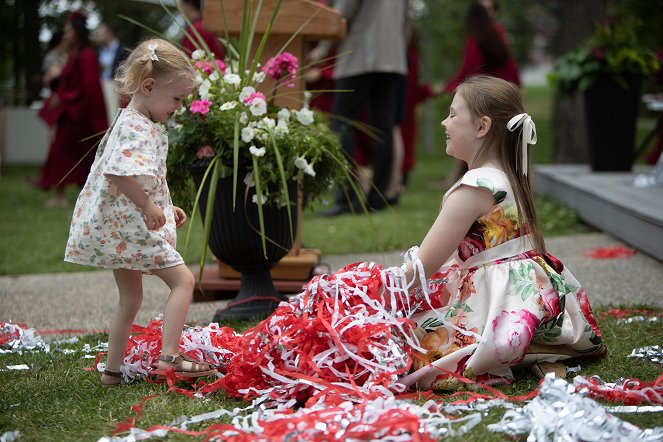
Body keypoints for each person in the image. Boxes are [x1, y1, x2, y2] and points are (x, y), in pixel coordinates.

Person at [390, 75, 605, 388]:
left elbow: (422, 268)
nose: (443, 122)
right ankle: (535, 345)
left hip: (495, 302)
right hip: (530, 298)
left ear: (482, 127)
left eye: (452, 114)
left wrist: (373, 292)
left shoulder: (472, 188)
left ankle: (511, 347)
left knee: (403, 335)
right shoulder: (510, 176)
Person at [64, 38, 217, 386]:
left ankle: (112, 373)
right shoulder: (137, 126)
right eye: (176, 98)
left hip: (121, 229)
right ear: (148, 86)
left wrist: (164, 205)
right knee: (184, 281)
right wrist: (148, 206)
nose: (178, 107)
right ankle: (170, 358)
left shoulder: (130, 120)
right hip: (132, 227)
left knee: (130, 298)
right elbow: (118, 171)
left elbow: (142, 175)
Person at [317, 0, 409, 215]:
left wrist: (322, 50)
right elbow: (406, 23)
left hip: (359, 56)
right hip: (392, 59)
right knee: (383, 128)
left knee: (341, 122)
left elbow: (340, 15)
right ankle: (378, 198)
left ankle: (347, 198)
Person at [438, 0, 521, 189]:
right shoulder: (496, 34)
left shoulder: (478, 38)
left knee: (474, 137)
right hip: (501, 94)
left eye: (490, 9)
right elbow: (508, 67)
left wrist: (452, 87)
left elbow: (469, 70)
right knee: (508, 143)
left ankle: (460, 180)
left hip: (485, 96)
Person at [37, 11, 108, 208]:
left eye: (69, 30)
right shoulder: (75, 56)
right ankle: (66, 193)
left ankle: (63, 195)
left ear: (76, 32)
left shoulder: (86, 56)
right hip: (71, 113)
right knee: (64, 153)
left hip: (81, 115)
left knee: (68, 152)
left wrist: (63, 97)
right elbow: (71, 83)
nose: (66, 34)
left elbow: (88, 88)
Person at [95, 22, 129, 119]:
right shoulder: (100, 51)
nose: (98, 36)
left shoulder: (122, 51)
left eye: (100, 33)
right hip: (101, 89)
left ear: (108, 32)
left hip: (114, 90)